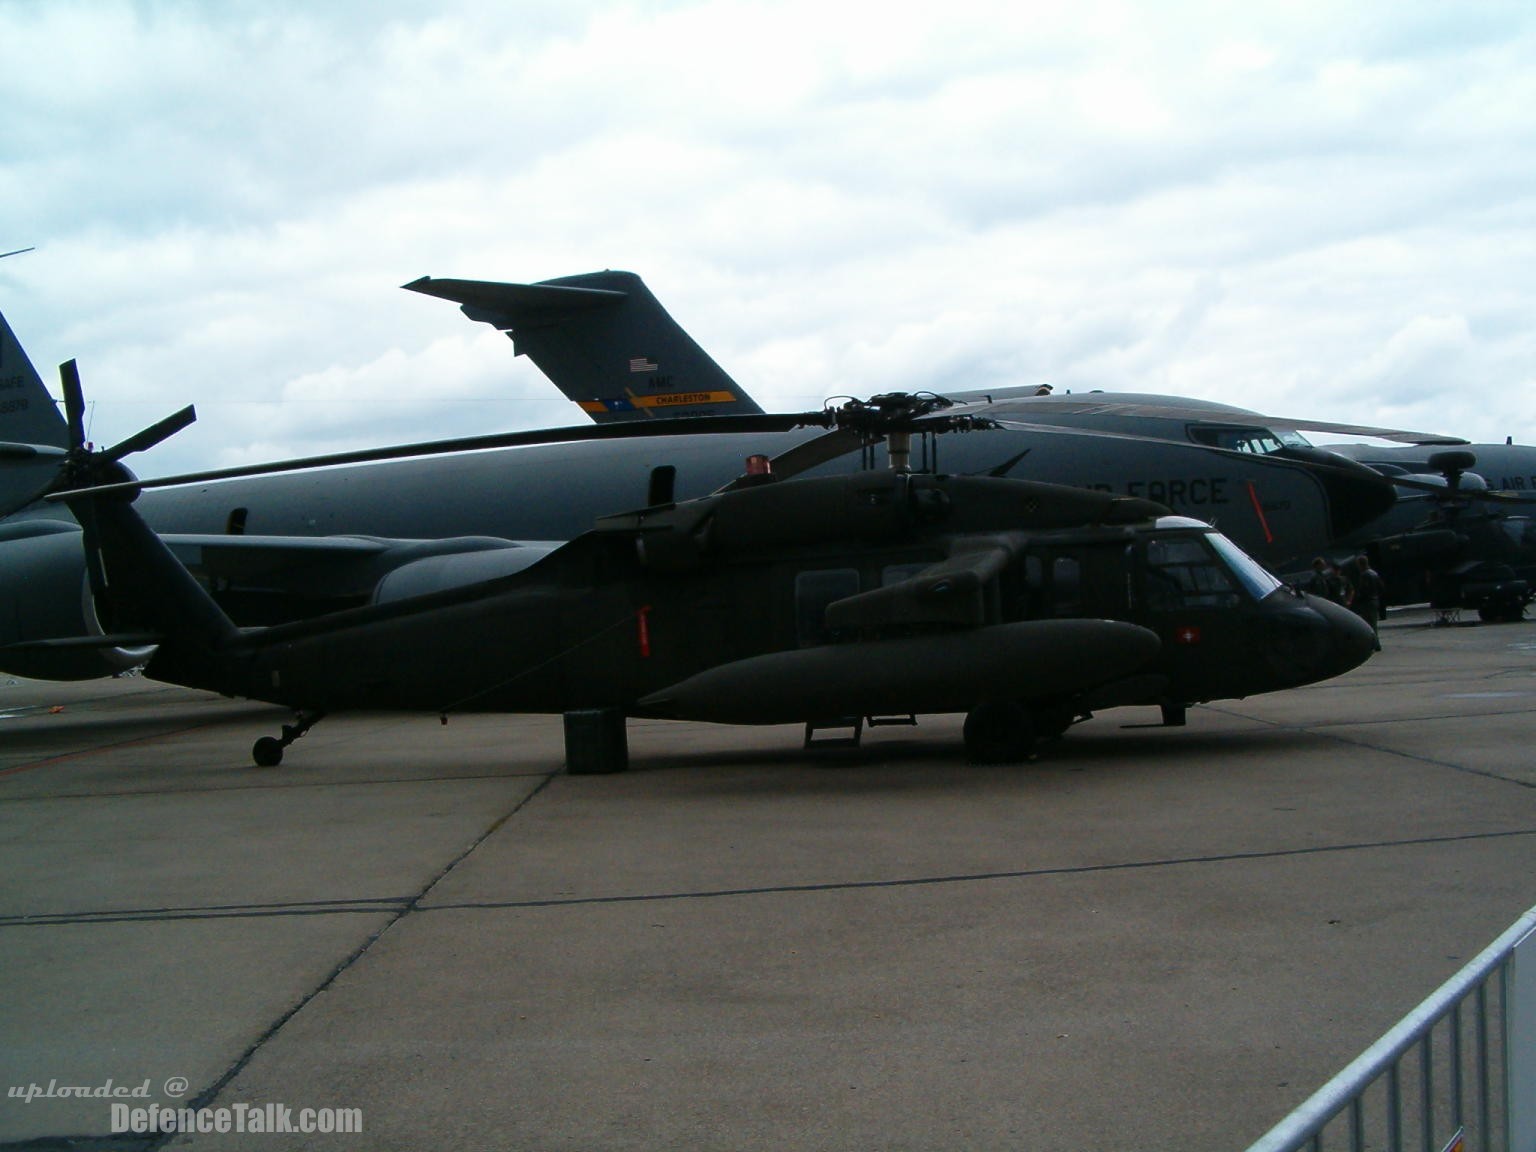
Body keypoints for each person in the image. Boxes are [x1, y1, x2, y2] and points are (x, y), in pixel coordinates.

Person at [1352, 554, 1384, 651]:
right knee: (1374, 623)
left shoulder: (1365, 575)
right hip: (1375, 600)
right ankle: (1376, 643)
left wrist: (1358, 600)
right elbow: (1381, 587)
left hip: (1367, 603)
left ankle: (1374, 644)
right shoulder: (1374, 573)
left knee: (1369, 625)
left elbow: (1363, 590)